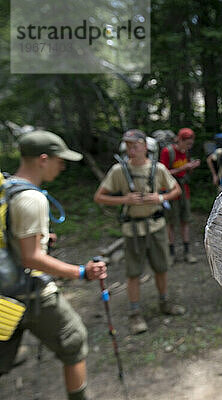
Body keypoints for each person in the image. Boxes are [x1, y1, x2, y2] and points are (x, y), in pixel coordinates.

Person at [0, 130, 107, 400]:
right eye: (60, 161)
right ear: (42, 159)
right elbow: (31, 258)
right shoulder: (32, 198)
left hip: (4, 294)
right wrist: (81, 272)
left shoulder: (6, 187)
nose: (62, 167)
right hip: (29, 293)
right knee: (75, 340)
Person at [94, 129, 185, 335]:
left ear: (145, 146)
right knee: (133, 272)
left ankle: (164, 303)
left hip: (156, 226)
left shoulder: (158, 169)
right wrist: (124, 200)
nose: (131, 149)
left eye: (135, 145)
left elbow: (176, 190)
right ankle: (135, 314)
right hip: (132, 229)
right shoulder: (119, 171)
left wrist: (160, 198)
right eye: (127, 145)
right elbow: (99, 197)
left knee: (161, 267)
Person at [159, 128, 201, 263]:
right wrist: (183, 168)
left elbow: (185, 171)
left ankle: (187, 252)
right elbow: (162, 173)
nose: (189, 147)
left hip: (184, 190)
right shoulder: (168, 152)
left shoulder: (186, 152)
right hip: (170, 191)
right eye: (187, 144)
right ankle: (171, 254)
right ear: (180, 140)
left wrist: (191, 167)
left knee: (185, 220)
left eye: (191, 144)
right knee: (171, 222)